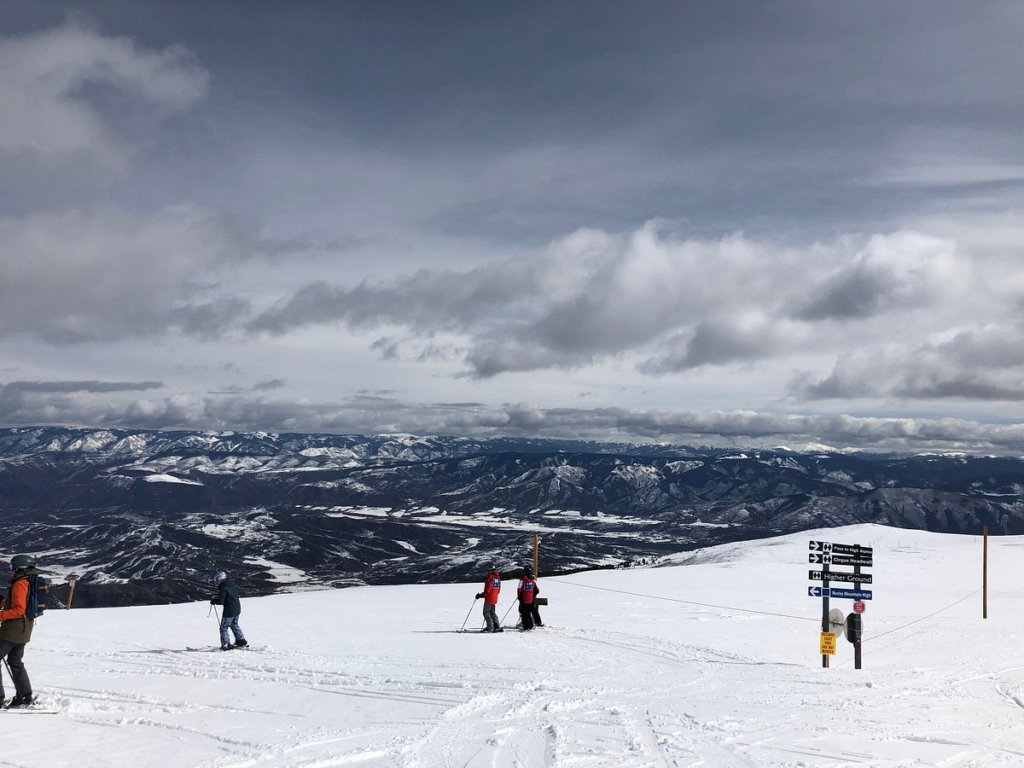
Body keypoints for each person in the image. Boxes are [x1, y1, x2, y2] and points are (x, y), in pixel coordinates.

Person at [0, 555, 38, 707]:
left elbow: (18, 610)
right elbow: (19, 603)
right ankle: (25, 697)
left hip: (12, 631)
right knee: (15, 662)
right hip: (23, 630)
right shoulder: (29, 582)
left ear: (20, 568)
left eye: (11, 567)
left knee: (14, 662)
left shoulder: (20, 584)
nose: (10, 570)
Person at [210, 570, 248, 651]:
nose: (217, 582)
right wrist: (218, 595)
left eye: (217, 580)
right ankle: (241, 640)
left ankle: (226, 644)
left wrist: (214, 601)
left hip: (229, 610)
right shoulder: (231, 584)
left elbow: (221, 601)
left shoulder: (224, 588)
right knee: (234, 624)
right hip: (237, 608)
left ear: (221, 580)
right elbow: (229, 595)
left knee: (224, 627)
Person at [475, 564, 503, 632]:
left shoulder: (490, 578)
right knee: (492, 612)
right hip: (495, 597)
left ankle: (490, 627)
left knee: (486, 613)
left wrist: (481, 595)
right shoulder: (497, 578)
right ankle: (496, 626)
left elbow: (488, 589)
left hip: (489, 598)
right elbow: (499, 589)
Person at [516, 564, 542, 630]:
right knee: (529, 612)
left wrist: (519, 596)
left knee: (524, 612)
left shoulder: (523, 579)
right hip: (531, 599)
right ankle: (531, 624)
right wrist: (533, 596)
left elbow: (519, 588)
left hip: (524, 598)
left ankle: (527, 626)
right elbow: (537, 590)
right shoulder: (532, 579)